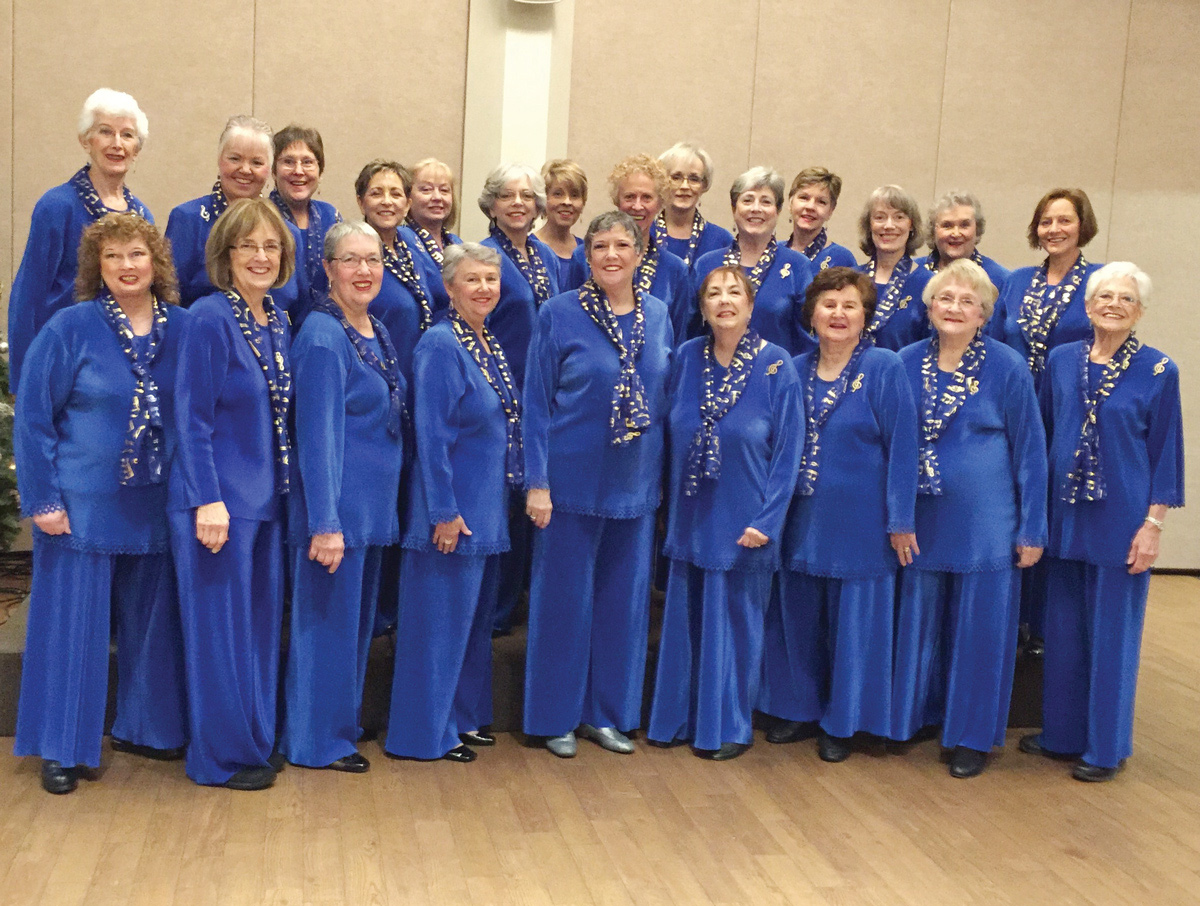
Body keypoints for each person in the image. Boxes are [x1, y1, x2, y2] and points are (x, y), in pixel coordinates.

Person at [13, 213, 188, 795]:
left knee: (153, 623)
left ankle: (146, 727)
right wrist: (42, 499)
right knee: (72, 628)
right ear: (97, 267)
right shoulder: (70, 328)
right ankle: (62, 747)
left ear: (155, 260)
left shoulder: (184, 329)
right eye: (112, 257)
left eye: (135, 254)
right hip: (79, 505)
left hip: (158, 502)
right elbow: (34, 417)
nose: (126, 266)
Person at [1021, 262, 1184, 782]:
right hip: (1064, 512)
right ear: (1088, 306)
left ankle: (1105, 748)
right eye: (1105, 296)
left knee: (1112, 635)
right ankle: (1061, 734)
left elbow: (1166, 454)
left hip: (1121, 518)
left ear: (1139, 312)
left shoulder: (1159, 370)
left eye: (1126, 299)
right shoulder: (1062, 360)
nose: (1113, 304)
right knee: (1063, 629)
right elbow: (1042, 435)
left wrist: (1153, 525)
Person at [523, 211, 673, 757]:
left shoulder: (658, 315)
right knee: (562, 604)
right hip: (568, 484)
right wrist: (537, 482)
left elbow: (663, 401)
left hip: (634, 486)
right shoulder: (559, 314)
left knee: (623, 606)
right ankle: (555, 716)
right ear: (588, 256)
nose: (611, 255)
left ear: (639, 253)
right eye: (601, 246)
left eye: (622, 246)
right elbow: (535, 404)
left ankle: (607, 714)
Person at [892, 259, 1047, 778]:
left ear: (985, 313)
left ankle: (972, 736)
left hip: (988, 525)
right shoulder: (904, 362)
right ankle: (916, 718)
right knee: (918, 624)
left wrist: (1032, 528)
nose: (954, 309)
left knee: (982, 631)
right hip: (921, 517)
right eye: (945, 299)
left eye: (967, 302)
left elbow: (1031, 453)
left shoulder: (1007, 366)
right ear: (928, 306)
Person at [758, 267, 918, 761]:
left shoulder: (885, 366)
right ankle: (799, 709)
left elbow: (904, 448)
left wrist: (901, 520)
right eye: (829, 304)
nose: (839, 314)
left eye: (850, 305)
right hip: (803, 516)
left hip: (863, 522)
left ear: (866, 315)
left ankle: (844, 721)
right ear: (811, 314)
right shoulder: (792, 367)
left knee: (854, 624)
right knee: (799, 615)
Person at [647, 266, 802, 760]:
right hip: (692, 511)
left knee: (737, 624)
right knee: (686, 620)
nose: (724, 300)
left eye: (735, 292)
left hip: (747, 514)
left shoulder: (778, 364)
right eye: (714, 293)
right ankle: (676, 719)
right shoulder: (688, 356)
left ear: (752, 306)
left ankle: (729, 726)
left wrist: (768, 520)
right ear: (704, 307)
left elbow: (789, 453)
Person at [169, 197, 296, 791]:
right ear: (225, 254)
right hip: (220, 506)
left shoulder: (277, 320)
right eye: (249, 246)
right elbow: (189, 419)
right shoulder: (208, 317)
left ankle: (252, 738)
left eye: (271, 246)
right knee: (220, 633)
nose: (262, 256)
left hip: (266, 500)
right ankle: (218, 758)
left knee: (257, 630)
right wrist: (206, 499)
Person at [279, 222, 404, 774]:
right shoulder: (323, 336)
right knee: (326, 630)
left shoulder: (372, 325)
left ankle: (340, 724)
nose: (363, 270)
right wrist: (325, 522)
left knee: (351, 628)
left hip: (370, 510)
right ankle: (314, 742)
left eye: (372, 259)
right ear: (328, 269)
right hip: (336, 515)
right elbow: (317, 435)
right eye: (350, 260)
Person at [385, 243, 518, 763]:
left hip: (484, 508)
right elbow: (432, 437)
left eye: (491, 278)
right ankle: (423, 734)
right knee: (435, 631)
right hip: (450, 513)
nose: (484, 288)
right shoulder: (441, 345)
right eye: (472, 280)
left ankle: (458, 720)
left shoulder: (486, 341)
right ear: (449, 287)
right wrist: (442, 510)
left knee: (467, 629)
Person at [989, 188, 1103, 655]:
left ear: (1083, 225)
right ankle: (1015, 618)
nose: (1054, 229)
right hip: (1017, 408)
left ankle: (1047, 626)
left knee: (1054, 509)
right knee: (1016, 504)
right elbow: (994, 342)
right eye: (1045, 221)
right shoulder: (1015, 281)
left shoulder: (1100, 280)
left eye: (1064, 220)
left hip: (1070, 412)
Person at [7, 88, 151, 395]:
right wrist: (23, 383)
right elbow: (27, 296)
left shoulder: (142, 216)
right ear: (86, 141)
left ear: (137, 148)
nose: (117, 144)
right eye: (105, 132)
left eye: (127, 135)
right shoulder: (58, 206)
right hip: (63, 361)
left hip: (121, 366)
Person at [354, 160, 436, 635]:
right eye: (377, 192)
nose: (387, 201)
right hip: (373, 396)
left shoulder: (417, 250)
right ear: (361, 199)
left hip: (416, 391)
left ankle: (396, 606)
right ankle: (378, 610)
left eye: (396, 193)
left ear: (408, 202)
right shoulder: (354, 251)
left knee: (407, 501)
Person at [479, 163, 560, 636]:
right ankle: (491, 615)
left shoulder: (546, 255)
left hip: (539, 393)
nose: (518, 203)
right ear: (490, 204)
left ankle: (513, 607)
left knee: (528, 499)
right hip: (497, 390)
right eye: (507, 195)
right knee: (502, 503)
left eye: (527, 196)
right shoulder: (482, 254)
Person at [164, 115, 306, 311]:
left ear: (270, 170)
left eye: (256, 162)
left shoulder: (288, 233)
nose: (245, 169)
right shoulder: (187, 219)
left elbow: (298, 308)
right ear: (219, 160)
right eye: (235, 158)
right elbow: (168, 298)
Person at [563, 155, 693, 345]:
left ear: (660, 203)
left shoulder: (675, 270)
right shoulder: (583, 257)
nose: (637, 206)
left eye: (647, 197)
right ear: (617, 201)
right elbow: (568, 318)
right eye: (630, 197)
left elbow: (678, 341)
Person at [694, 167, 815, 355]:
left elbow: (808, 337)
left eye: (766, 201)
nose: (756, 209)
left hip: (775, 376)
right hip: (714, 376)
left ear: (778, 210)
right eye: (747, 200)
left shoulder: (798, 266)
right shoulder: (707, 264)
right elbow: (692, 331)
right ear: (734, 208)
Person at [269, 124, 342, 319]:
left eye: (308, 162)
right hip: (275, 328)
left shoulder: (331, 216)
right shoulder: (261, 218)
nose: (298, 171)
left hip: (326, 327)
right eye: (288, 162)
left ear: (320, 170)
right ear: (273, 171)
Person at [854, 185, 932, 350]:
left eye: (899, 217)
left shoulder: (929, 284)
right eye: (880, 217)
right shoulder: (851, 279)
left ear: (911, 225)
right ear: (869, 225)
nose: (889, 226)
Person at [653, 142, 733, 268]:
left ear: (704, 185)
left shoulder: (722, 241)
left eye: (694, 179)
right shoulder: (645, 235)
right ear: (662, 182)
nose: (685, 186)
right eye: (676, 177)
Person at [915, 191, 1009, 290]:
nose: (956, 233)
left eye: (964, 225)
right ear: (933, 230)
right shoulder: (911, 273)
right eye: (947, 225)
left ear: (977, 229)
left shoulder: (1000, 279)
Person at [406, 157, 462, 312]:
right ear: (408, 198)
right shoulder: (402, 240)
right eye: (426, 190)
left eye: (444, 190)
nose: (437, 197)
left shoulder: (456, 243)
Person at [783, 167, 857, 271]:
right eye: (804, 198)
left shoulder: (841, 259)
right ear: (790, 202)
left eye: (821, 202)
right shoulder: (772, 252)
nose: (810, 206)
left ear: (831, 210)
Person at [535, 158, 588, 285]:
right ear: (544, 198)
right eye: (558, 194)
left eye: (574, 195)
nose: (567, 202)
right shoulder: (529, 249)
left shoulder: (587, 251)